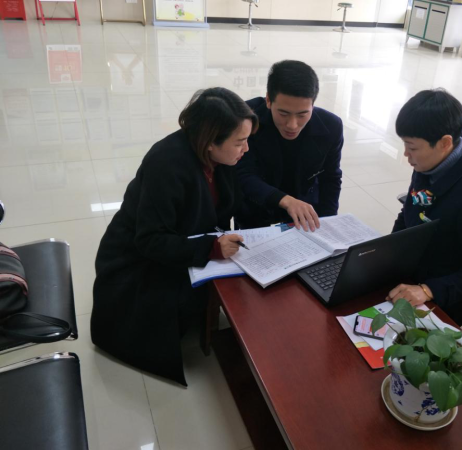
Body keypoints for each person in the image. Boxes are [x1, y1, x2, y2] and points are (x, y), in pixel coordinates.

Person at [91, 88, 258, 386]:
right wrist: (211, 246)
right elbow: (150, 240)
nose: (246, 148)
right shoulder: (166, 163)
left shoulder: (220, 158)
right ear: (210, 142)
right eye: (239, 142)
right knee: (174, 309)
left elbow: (225, 205)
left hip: (182, 239)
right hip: (136, 261)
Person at [388, 89, 462, 325]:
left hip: (443, 300)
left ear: (445, 143)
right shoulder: (428, 164)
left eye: (412, 147)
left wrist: (427, 290)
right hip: (408, 278)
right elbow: (408, 214)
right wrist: (384, 256)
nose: (406, 154)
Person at [235, 60, 344, 232]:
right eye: (283, 113)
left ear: (313, 104)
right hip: (255, 204)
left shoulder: (331, 126)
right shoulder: (246, 119)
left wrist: (328, 223)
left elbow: (331, 178)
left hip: (302, 206)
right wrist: (285, 200)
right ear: (268, 100)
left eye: (302, 114)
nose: (292, 125)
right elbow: (242, 174)